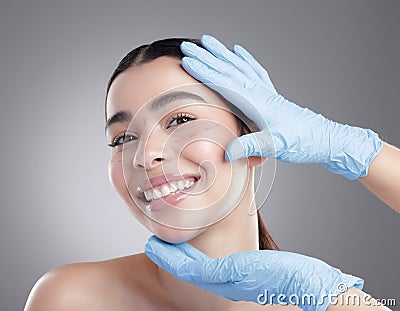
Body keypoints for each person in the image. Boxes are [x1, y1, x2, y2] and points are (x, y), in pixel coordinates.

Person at [24, 35, 397, 311]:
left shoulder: (321, 302)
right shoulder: (70, 298)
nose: (145, 155)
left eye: (181, 120)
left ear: (256, 142)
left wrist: (352, 148)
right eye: (123, 137)